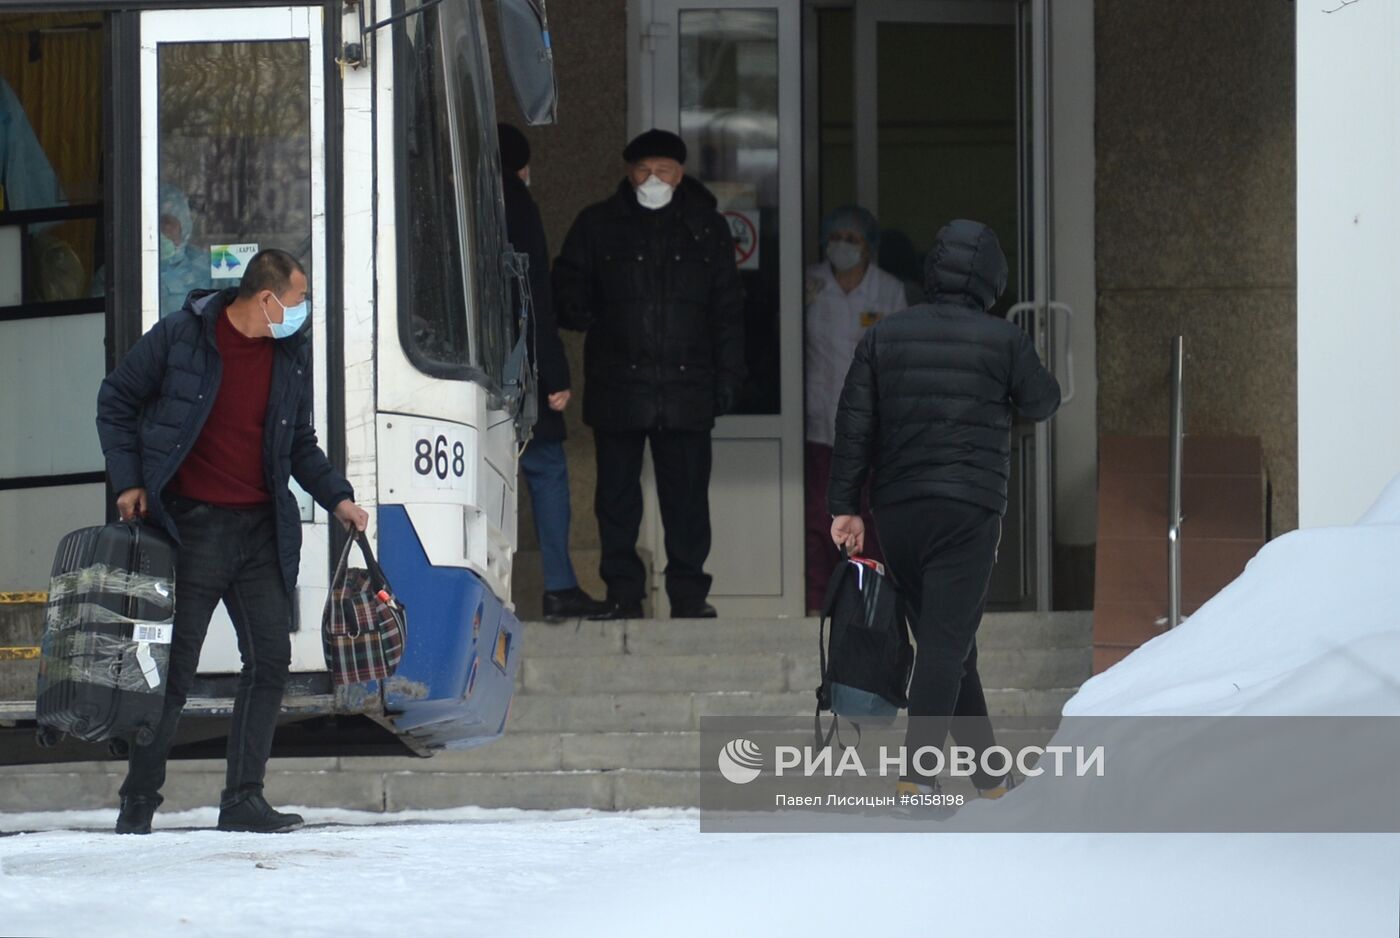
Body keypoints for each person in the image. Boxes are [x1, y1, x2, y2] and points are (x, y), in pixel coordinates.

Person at [96, 248, 369, 834]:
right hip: (191, 528)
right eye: (297, 300)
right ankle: (139, 803)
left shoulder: (288, 353)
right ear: (266, 297)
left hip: (259, 531)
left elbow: (299, 444)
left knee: (270, 660)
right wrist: (130, 481)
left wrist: (339, 499)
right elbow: (115, 400)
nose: (302, 312)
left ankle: (243, 798)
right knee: (173, 673)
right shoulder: (181, 336)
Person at [827, 220, 1060, 802]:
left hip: (898, 510)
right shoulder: (1003, 340)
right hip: (968, 509)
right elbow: (1044, 399)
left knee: (952, 643)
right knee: (944, 644)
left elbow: (854, 426)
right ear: (992, 280)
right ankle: (918, 775)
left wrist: (844, 508)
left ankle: (989, 777)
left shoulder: (884, 337)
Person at [553, 128, 744, 620]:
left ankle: (688, 594)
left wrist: (726, 379)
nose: (652, 179)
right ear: (627, 172)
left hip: (687, 388)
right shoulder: (598, 225)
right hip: (619, 386)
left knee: (686, 501)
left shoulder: (706, 228)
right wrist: (586, 309)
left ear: (680, 174)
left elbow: (727, 311)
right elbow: (567, 287)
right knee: (616, 500)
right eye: (643, 170)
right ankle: (622, 592)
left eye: (662, 170)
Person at [498, 122, 606, 622]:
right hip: (518, 368)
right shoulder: (516, 202)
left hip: (457, 367)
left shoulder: (448, 196)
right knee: (545, 469)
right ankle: (560, 585)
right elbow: (532, 293)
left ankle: (493, 593)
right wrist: (554, 370)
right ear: (519, 166)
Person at [803, 205, 907, 612]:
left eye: (853, 239)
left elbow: (897, 358)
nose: (842, 246)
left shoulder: (888, 290)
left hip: (870, 427)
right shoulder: (809, 284)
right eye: (836, 237)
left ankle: (869, 602)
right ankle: (819, 600)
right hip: (817, 422)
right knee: (819, 516)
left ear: (870, 247)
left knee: (869, 517)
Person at [157, 183, 212, 317]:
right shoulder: (124, 270)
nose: (161, 230)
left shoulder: (205, 266)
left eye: (167, 223)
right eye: (156, 223)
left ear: (183, 226)